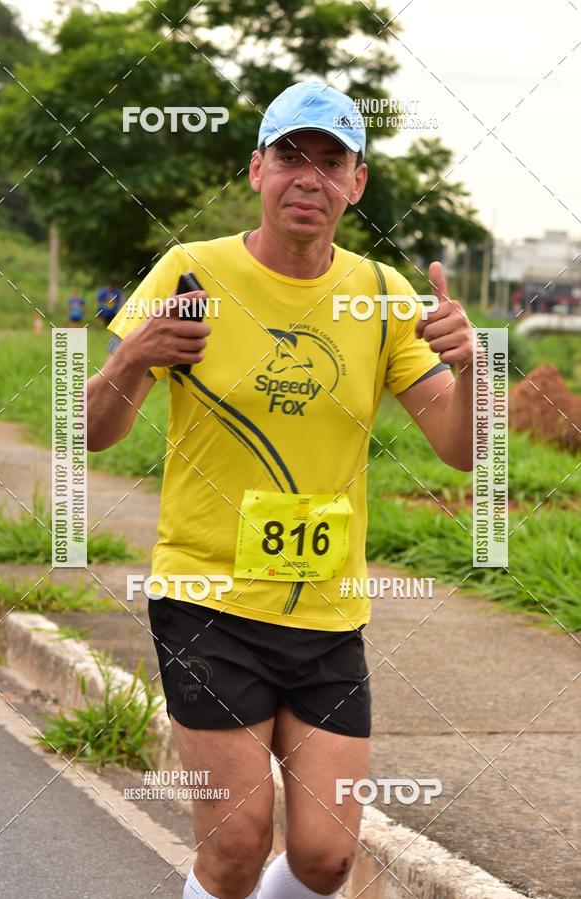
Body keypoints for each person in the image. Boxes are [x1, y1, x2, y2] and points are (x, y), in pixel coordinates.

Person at [87, 81, 474, 899]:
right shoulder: (190, 271)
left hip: (327, 609)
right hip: (207, 599)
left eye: (331, 161)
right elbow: (86, 432)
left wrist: (476, 370)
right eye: (291, 156)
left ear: (356, 184)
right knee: (234, 845)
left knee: (326, 859)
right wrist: (130, 357)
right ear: (257, 169)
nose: (310, 177)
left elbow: (462, 449)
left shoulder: (381, 293)